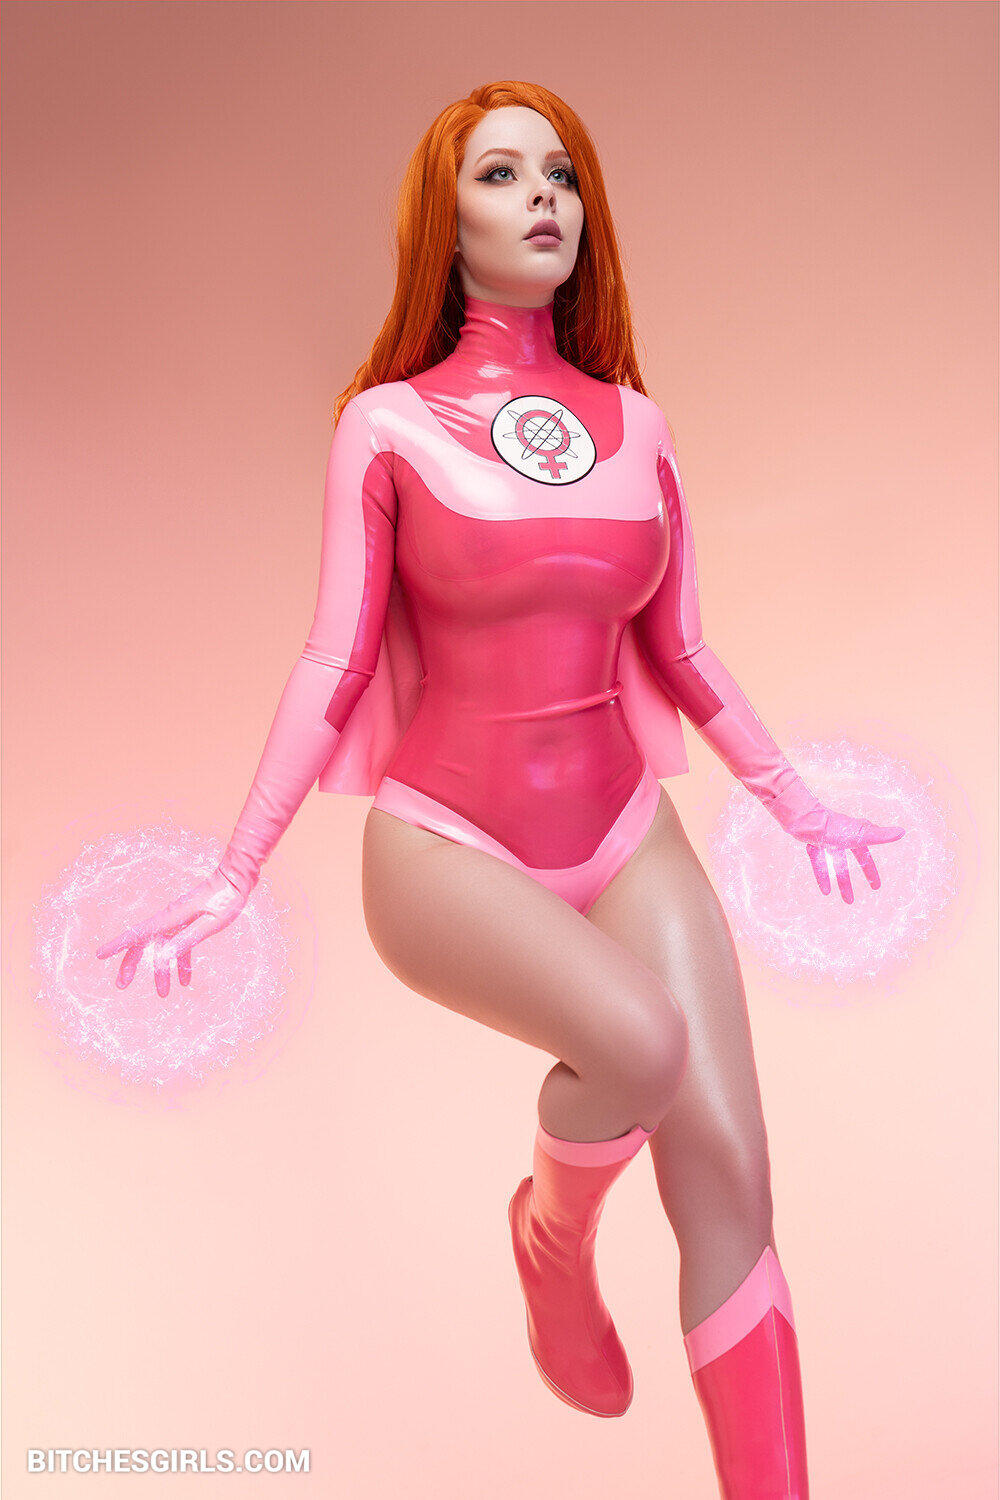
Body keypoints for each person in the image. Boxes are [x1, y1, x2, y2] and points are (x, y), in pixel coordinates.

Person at [97, 81, 903, 1497]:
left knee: (732, 1169)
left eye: (563, 175)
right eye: (503, 173)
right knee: (642, 1046)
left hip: (626, 829)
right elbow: (334, 656)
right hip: (446, 846)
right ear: (445, 219)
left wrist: (796, 803)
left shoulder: (636, 425)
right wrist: (232, 873)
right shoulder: (387, 428)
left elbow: (684, 648)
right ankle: (552, 1237)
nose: (542, 198)